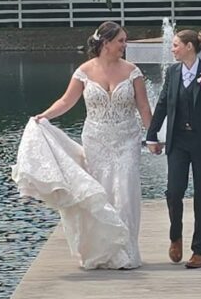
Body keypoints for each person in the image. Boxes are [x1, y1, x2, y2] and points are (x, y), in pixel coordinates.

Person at [12, 21, 152, 269]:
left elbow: (143, 107)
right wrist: (43, 116)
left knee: (126, 192)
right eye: (120, 40)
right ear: (106, 43)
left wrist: (152, 136)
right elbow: (66, 101)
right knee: (101, 193)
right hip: (96, 139)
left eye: (124, 40)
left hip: (127, 139)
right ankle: (104, 251)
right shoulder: (84, 71)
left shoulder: (133, 72)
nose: (124, 45)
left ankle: (126, 251)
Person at [145, 29, 201, 269]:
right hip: (178, 142)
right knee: (174, 192)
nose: (172, 49)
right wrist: (151, 134)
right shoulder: (173, 72)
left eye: (175, 45)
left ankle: (200, 251)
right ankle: (175, 236)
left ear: (188, 46)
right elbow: (163, 103)